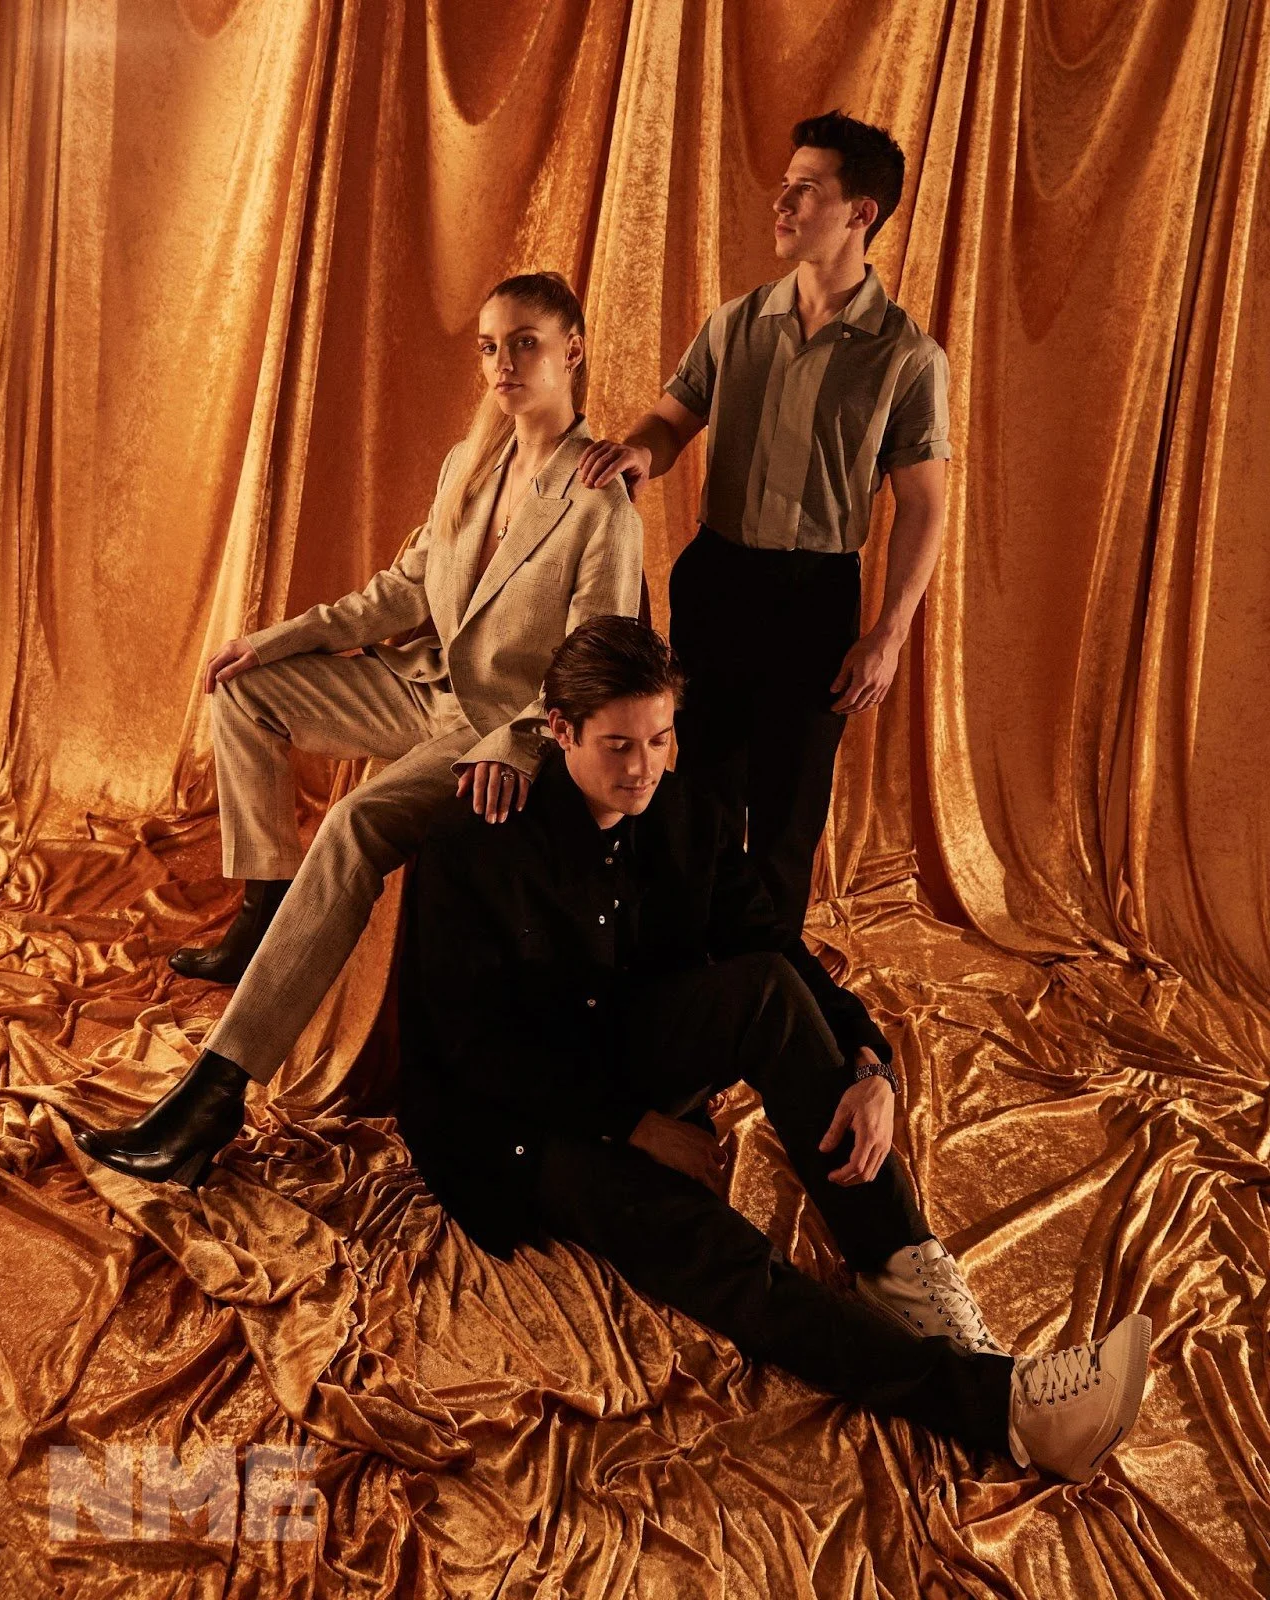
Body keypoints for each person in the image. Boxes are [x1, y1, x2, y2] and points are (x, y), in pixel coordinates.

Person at [400, 617, 1151, 1484]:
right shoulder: (475, 844)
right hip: (518, 1127)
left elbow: (772, 948)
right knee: (719, 1251)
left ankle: (900, 1265)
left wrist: (871, 1062)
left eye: (660, 739)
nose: (643, 767)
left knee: (763, 985)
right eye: (618, 745)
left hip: (621, 1055)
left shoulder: (682, 809)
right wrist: (635, 1126)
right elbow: (474, 1050)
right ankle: (1005, 1410)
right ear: (560, 730)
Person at [71, 272, 643, 1186]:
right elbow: (399, 593)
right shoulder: (470, 464)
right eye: (488, 347)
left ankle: (214, 1094)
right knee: (244, 694)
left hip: (495, 725)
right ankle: (264, 910)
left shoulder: (601, 501)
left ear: (572, 348)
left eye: (524, 343)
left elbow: (597, 664)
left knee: (351, 824)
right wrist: (272, 640)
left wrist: (518, 743)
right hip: (421, 690)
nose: (502, 364)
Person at [580, 111, 949, 933]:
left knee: (788, 812)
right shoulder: (733, 323)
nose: (781, 202)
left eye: (805, 190)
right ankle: (689, 967)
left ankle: (766, 977)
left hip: (815, 596)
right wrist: (639, 452)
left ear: (860, 213)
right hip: (717, 578)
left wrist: (887, 635)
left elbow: (925, 505)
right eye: (785, 185)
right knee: (699, 793)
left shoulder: (907, 357)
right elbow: (669, 422)